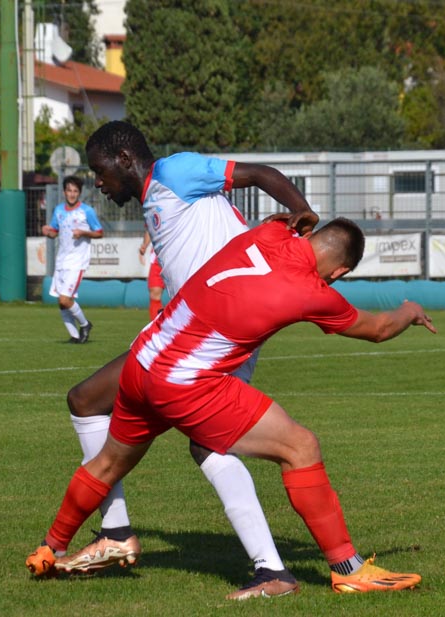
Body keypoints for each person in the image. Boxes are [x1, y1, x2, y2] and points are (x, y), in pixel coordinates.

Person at [27, 217, 435, 594]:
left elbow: (283, 217)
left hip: (141, 362)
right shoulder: (313, 292)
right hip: (185, 383)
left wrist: (298, 216)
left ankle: (50, 548)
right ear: (340, 272)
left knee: (107, 463)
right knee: (300, 446)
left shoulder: (270, 232)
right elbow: (379, 329)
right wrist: (410, 310)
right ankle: (348, 570)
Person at [57, 120, 319, 600]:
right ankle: (115, 533)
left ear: (124, 159)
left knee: (207, 443)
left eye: (99, 171)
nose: (98, 182)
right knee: (86, 400)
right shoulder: (156, 199)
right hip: (182, 334)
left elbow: (259, 173)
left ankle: (272, 570)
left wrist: (302, 211)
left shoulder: (175, 171)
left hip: (218, 336)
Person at [41, 175, 103, 344]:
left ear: (79, 193)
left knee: (65, 299)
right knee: (61, 302)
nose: (72, 194)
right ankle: (75, 336)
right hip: (61, 261)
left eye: (75, 191)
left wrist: (83, 232)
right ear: (64, 192)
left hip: (77, 261)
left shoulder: (87, 211)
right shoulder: (59, 210)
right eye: (69, 190)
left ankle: (85, 324)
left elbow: (99, 232)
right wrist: (48, 231)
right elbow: (55, 232)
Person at [139, 230, 164, 320]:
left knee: (182, 294)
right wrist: (145, 245)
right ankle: (157, 326)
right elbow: (150, 227)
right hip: (158, 255)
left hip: (179, 253)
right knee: (154, 293)